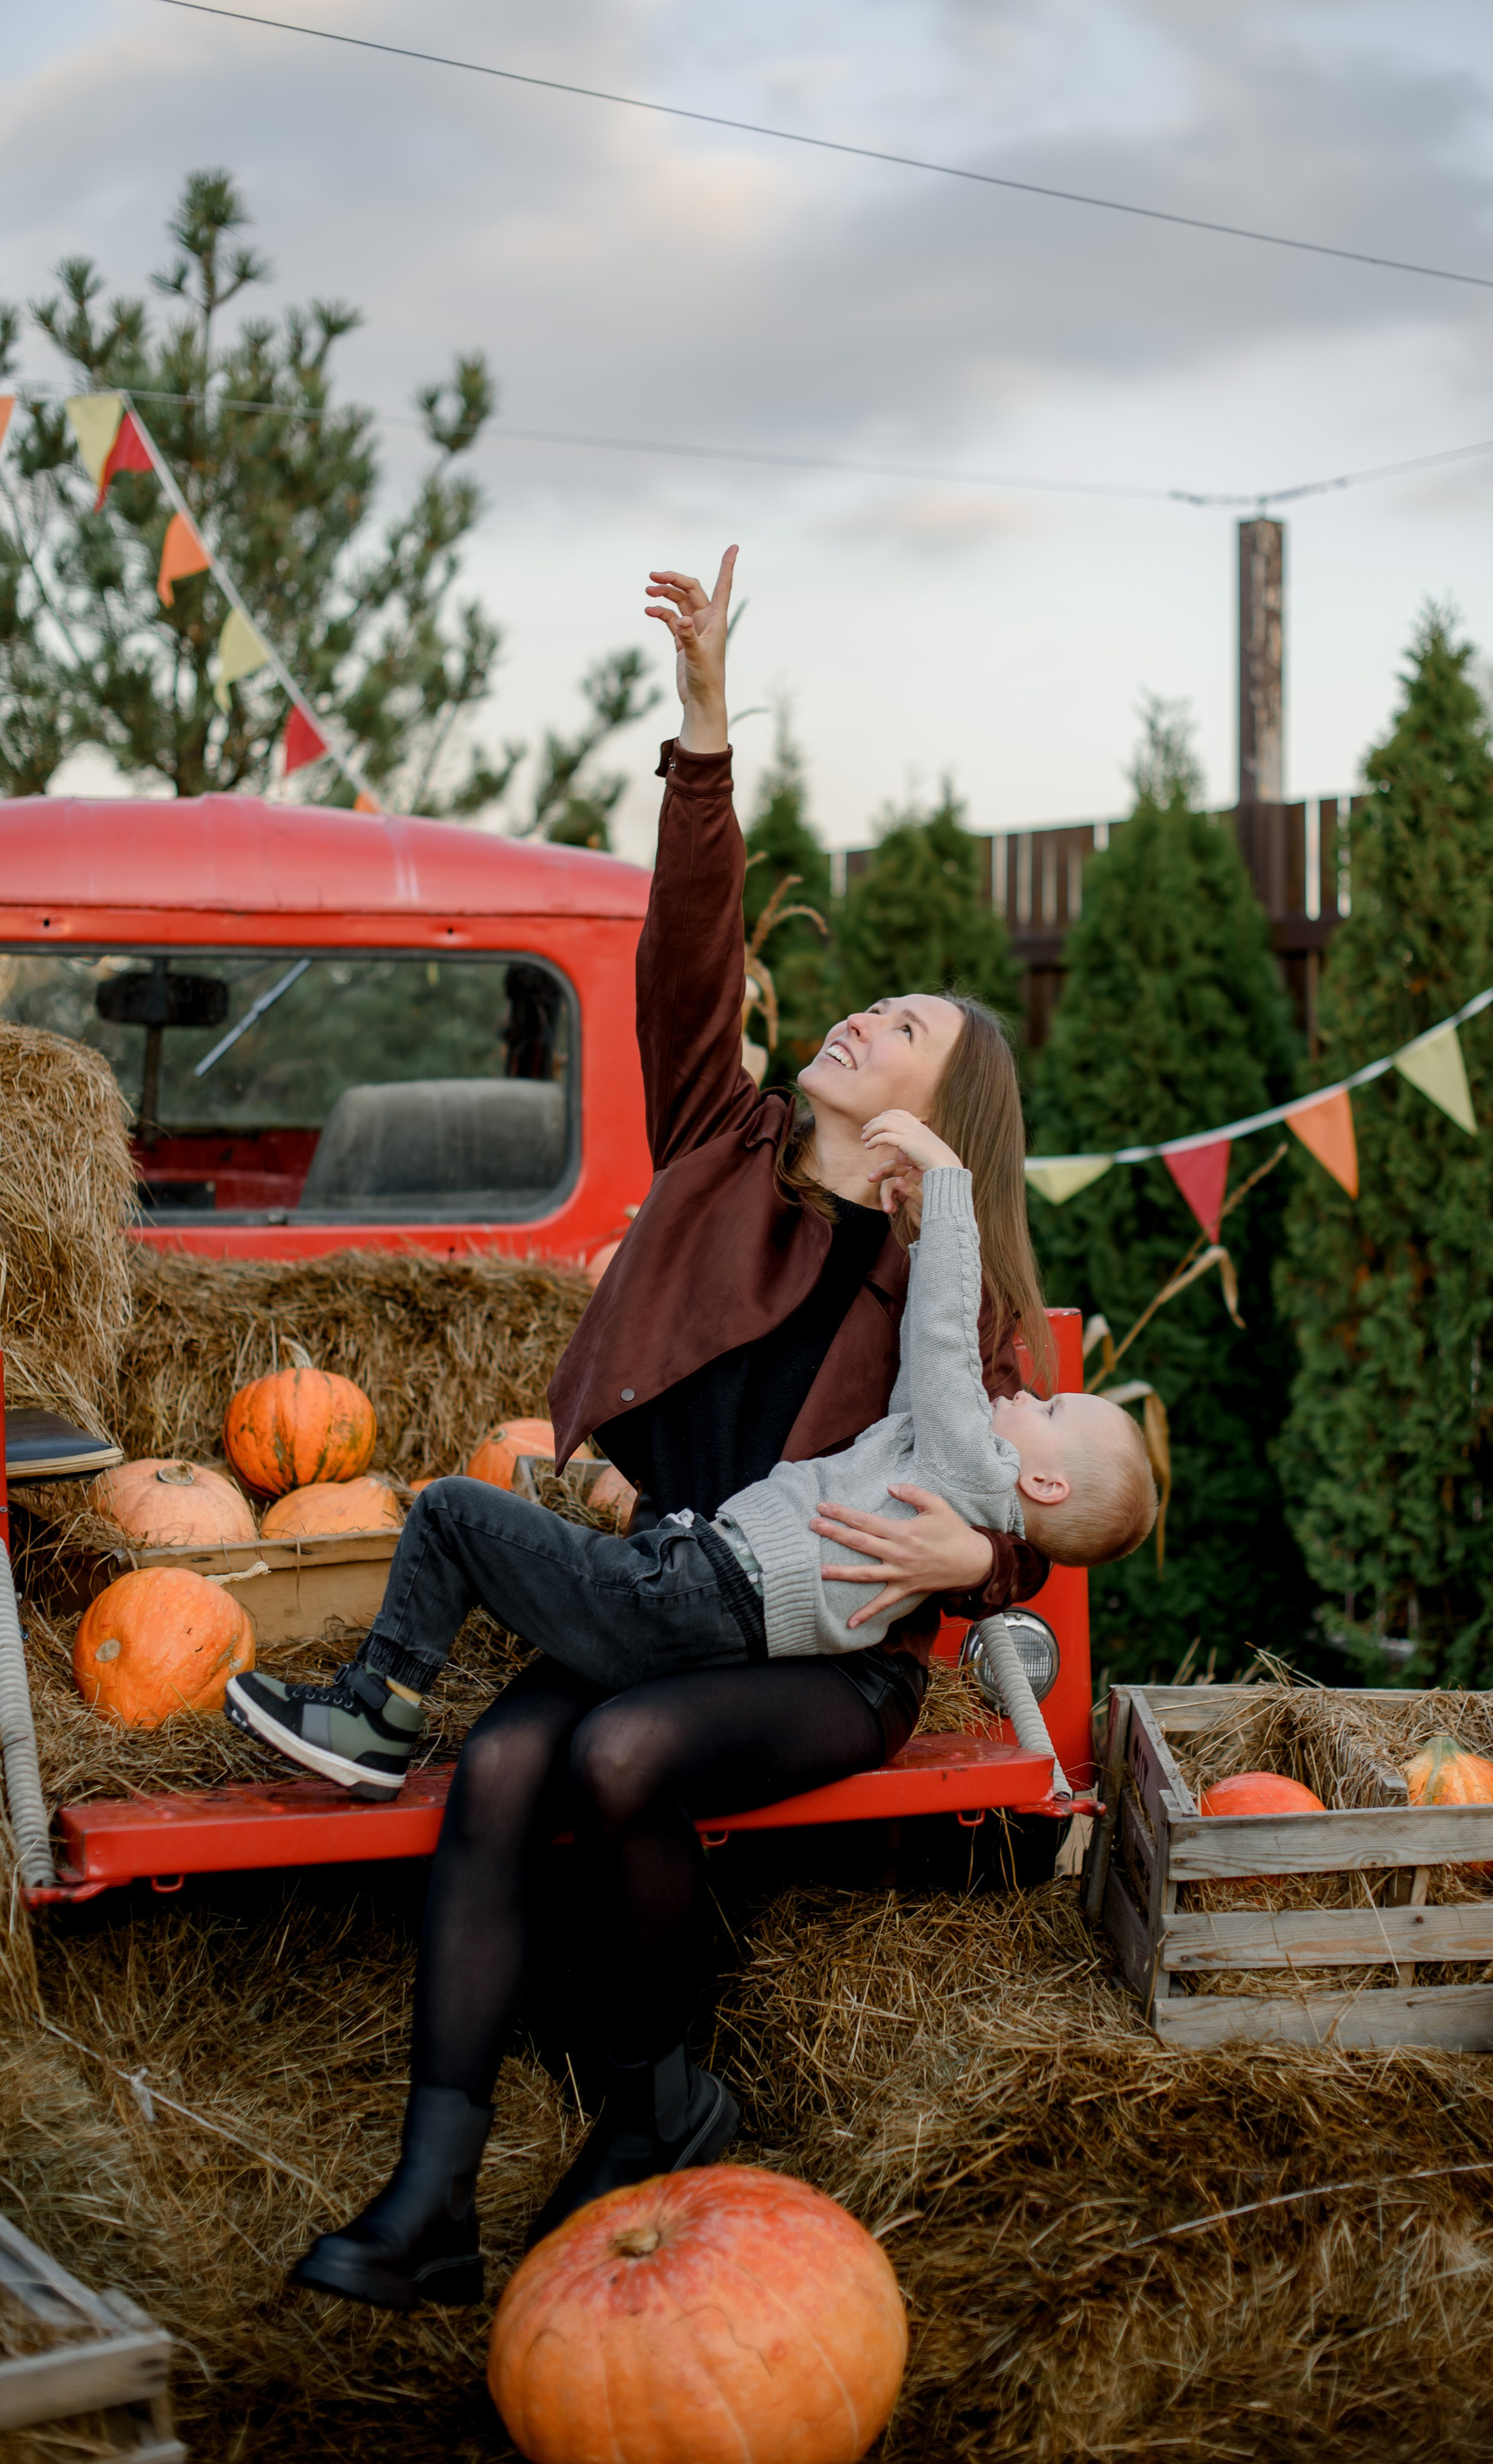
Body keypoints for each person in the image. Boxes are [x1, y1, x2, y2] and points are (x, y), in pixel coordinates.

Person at [246, 549, 1065, 2314]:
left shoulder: (952, 1285)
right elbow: (689, 954)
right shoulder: (721, 1140)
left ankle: (662, 2096)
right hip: (661, 1586)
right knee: (509, 1769)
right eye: (868, 1006)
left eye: (904, 1025)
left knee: (614, 1760)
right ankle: (439, 2194)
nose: (858, 1017)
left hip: (820, 1648)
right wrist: (703, 729)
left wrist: (978, 1552)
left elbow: (1034, 1477)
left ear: (948, 1103)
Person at [228, 1117, 1154, 1784]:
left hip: (702, 1591)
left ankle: (373, 1718)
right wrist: (912, 1221)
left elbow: (949, 1343)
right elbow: (927, 1353)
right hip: (712, 1599)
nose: (1029, 1391)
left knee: (447, 1511)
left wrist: (948, 1179)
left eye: (1052, 1405)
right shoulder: (938, 1462)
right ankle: (382, 1714)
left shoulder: (971, 1469)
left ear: (1041, 1477)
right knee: (505, 1551)